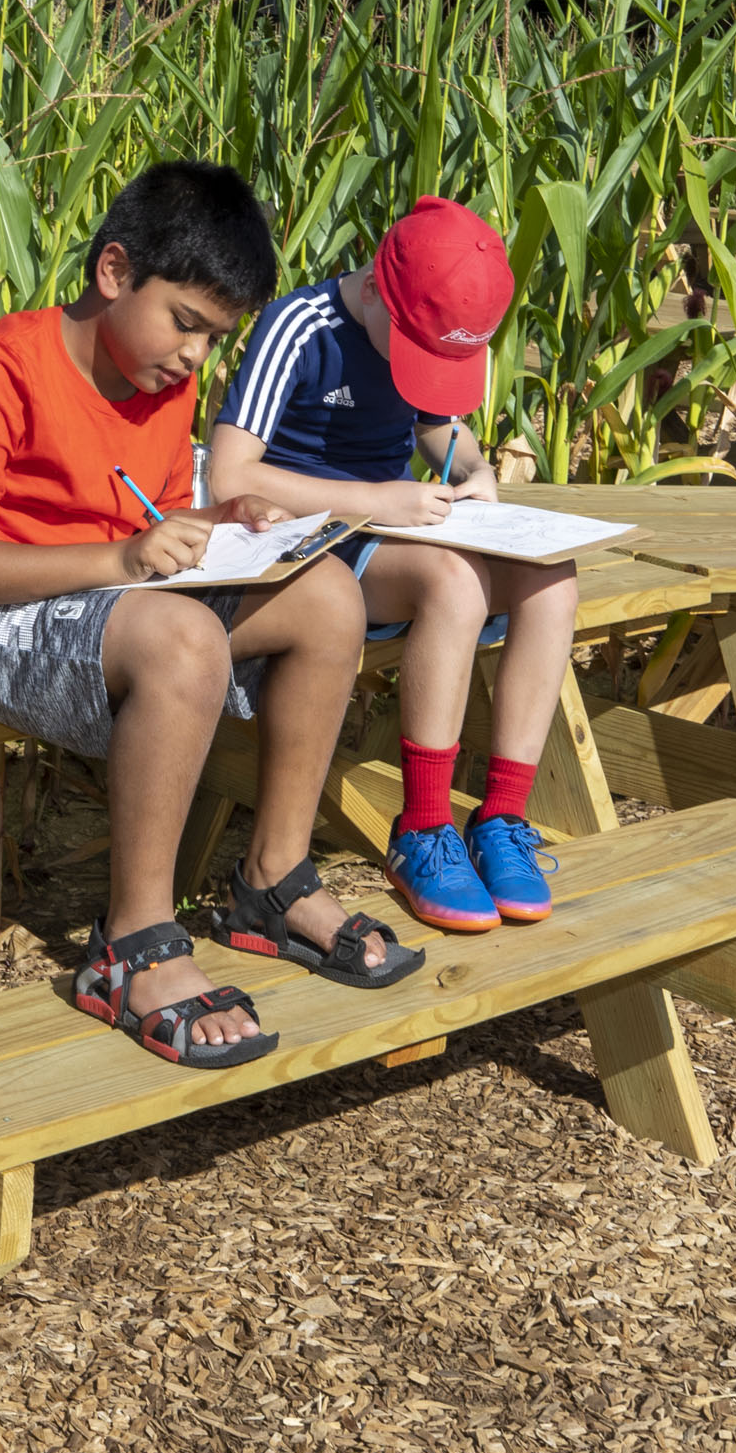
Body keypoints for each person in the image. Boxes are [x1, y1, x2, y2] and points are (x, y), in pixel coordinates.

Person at [0, 161, 421, 1070]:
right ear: (114, 272)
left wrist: (222, 524)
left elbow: (151, 517)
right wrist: (123, 560)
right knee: (183, 641)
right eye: (186, 323)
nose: (195, 358)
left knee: (328, 596)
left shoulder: (159, 383)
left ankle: (272, 882)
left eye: (216, 338)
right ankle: (132, 942)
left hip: (108, 603)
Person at [206, 197, 576, 936]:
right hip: (313, 537)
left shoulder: (410, 322)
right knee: (452, 581)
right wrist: (373, 499)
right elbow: (229, 473)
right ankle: (426, 827)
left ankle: (503, 815)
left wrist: (472, 468)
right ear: (376, 284)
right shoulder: (300, 328)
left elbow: (440, 425)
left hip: (398, 519)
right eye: (417, 350)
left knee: (551, 575)